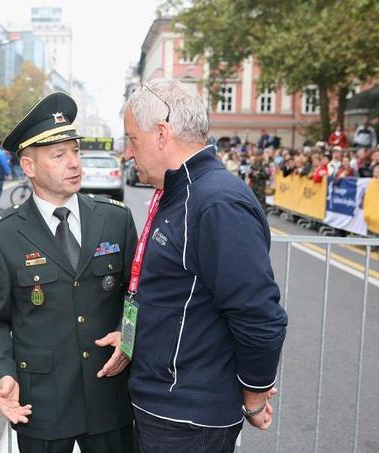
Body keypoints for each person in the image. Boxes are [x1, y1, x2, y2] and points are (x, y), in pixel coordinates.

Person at [122, 79, 287, 452]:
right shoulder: (181, 191)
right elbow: (175, 294)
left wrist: (254, 397)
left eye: (133, 139)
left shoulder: (215, 201)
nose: (128, 153)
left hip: (187, 419)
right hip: (164, 404)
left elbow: (258, 314)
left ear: (162, 134)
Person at [0, 92, 138, 453]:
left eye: (75, 151)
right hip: (43, 405)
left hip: (108, 397)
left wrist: (128, 338)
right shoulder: (2, 235)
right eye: (59, 155)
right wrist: (2, 373)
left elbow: (137, 298)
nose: (74, 163)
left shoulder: (115, 219)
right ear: (29, 167)